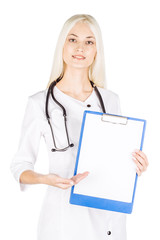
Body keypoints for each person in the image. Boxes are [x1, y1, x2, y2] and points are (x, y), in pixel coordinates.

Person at [10, 14, 149, 240]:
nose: (80, 48)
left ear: (96, 51)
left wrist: (135, 166)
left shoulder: (110, 100)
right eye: (73, 39)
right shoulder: (38, 103)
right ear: (62, 46)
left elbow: (115, 160)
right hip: (64, 217)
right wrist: (48, 178)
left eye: (89, 42)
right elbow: (20, 167)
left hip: (108, 216)